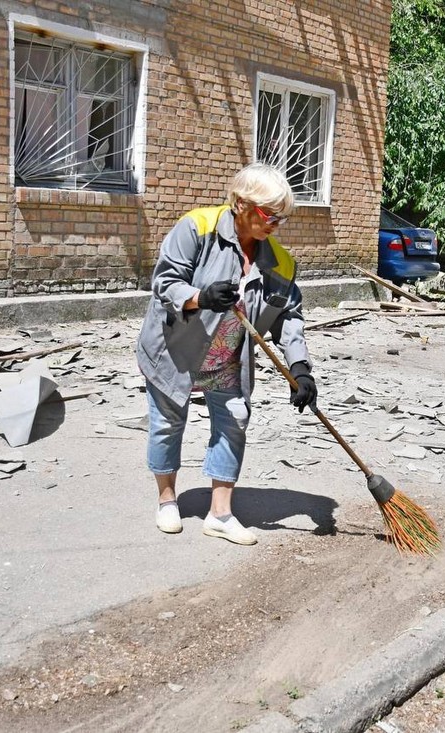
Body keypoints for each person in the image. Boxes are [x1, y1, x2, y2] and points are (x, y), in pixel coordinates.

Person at [135, 163, 316, 545]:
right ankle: (167, 500)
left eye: (281, 218)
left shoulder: (279, 262)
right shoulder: (196, 229)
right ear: (240, 204)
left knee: (234, 421)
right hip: (176, 351)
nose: (275, 225)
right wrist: (200, 298)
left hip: (228, 358)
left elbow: (289, 315)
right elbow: (165, 283)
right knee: (168, 424)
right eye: (269, 215)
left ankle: (220, 513)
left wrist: (300, 369)